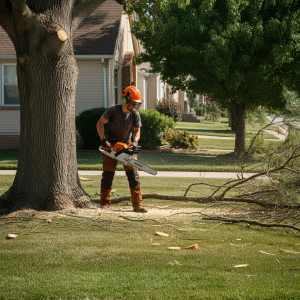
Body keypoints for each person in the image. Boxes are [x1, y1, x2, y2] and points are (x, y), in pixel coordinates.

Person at [96, 86, 148, 213]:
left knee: (133, 175)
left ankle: (137, 204)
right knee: (108, 175)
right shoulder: (112, 111)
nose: (135, 106)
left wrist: (135, 142)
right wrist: (104, 140)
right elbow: (99, 124)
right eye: (133, 103)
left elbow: (137, 131)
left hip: (126, 144)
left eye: (137, 104)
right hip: (111, 145)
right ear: (125, 100)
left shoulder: (135, 114)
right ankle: (104, 203)